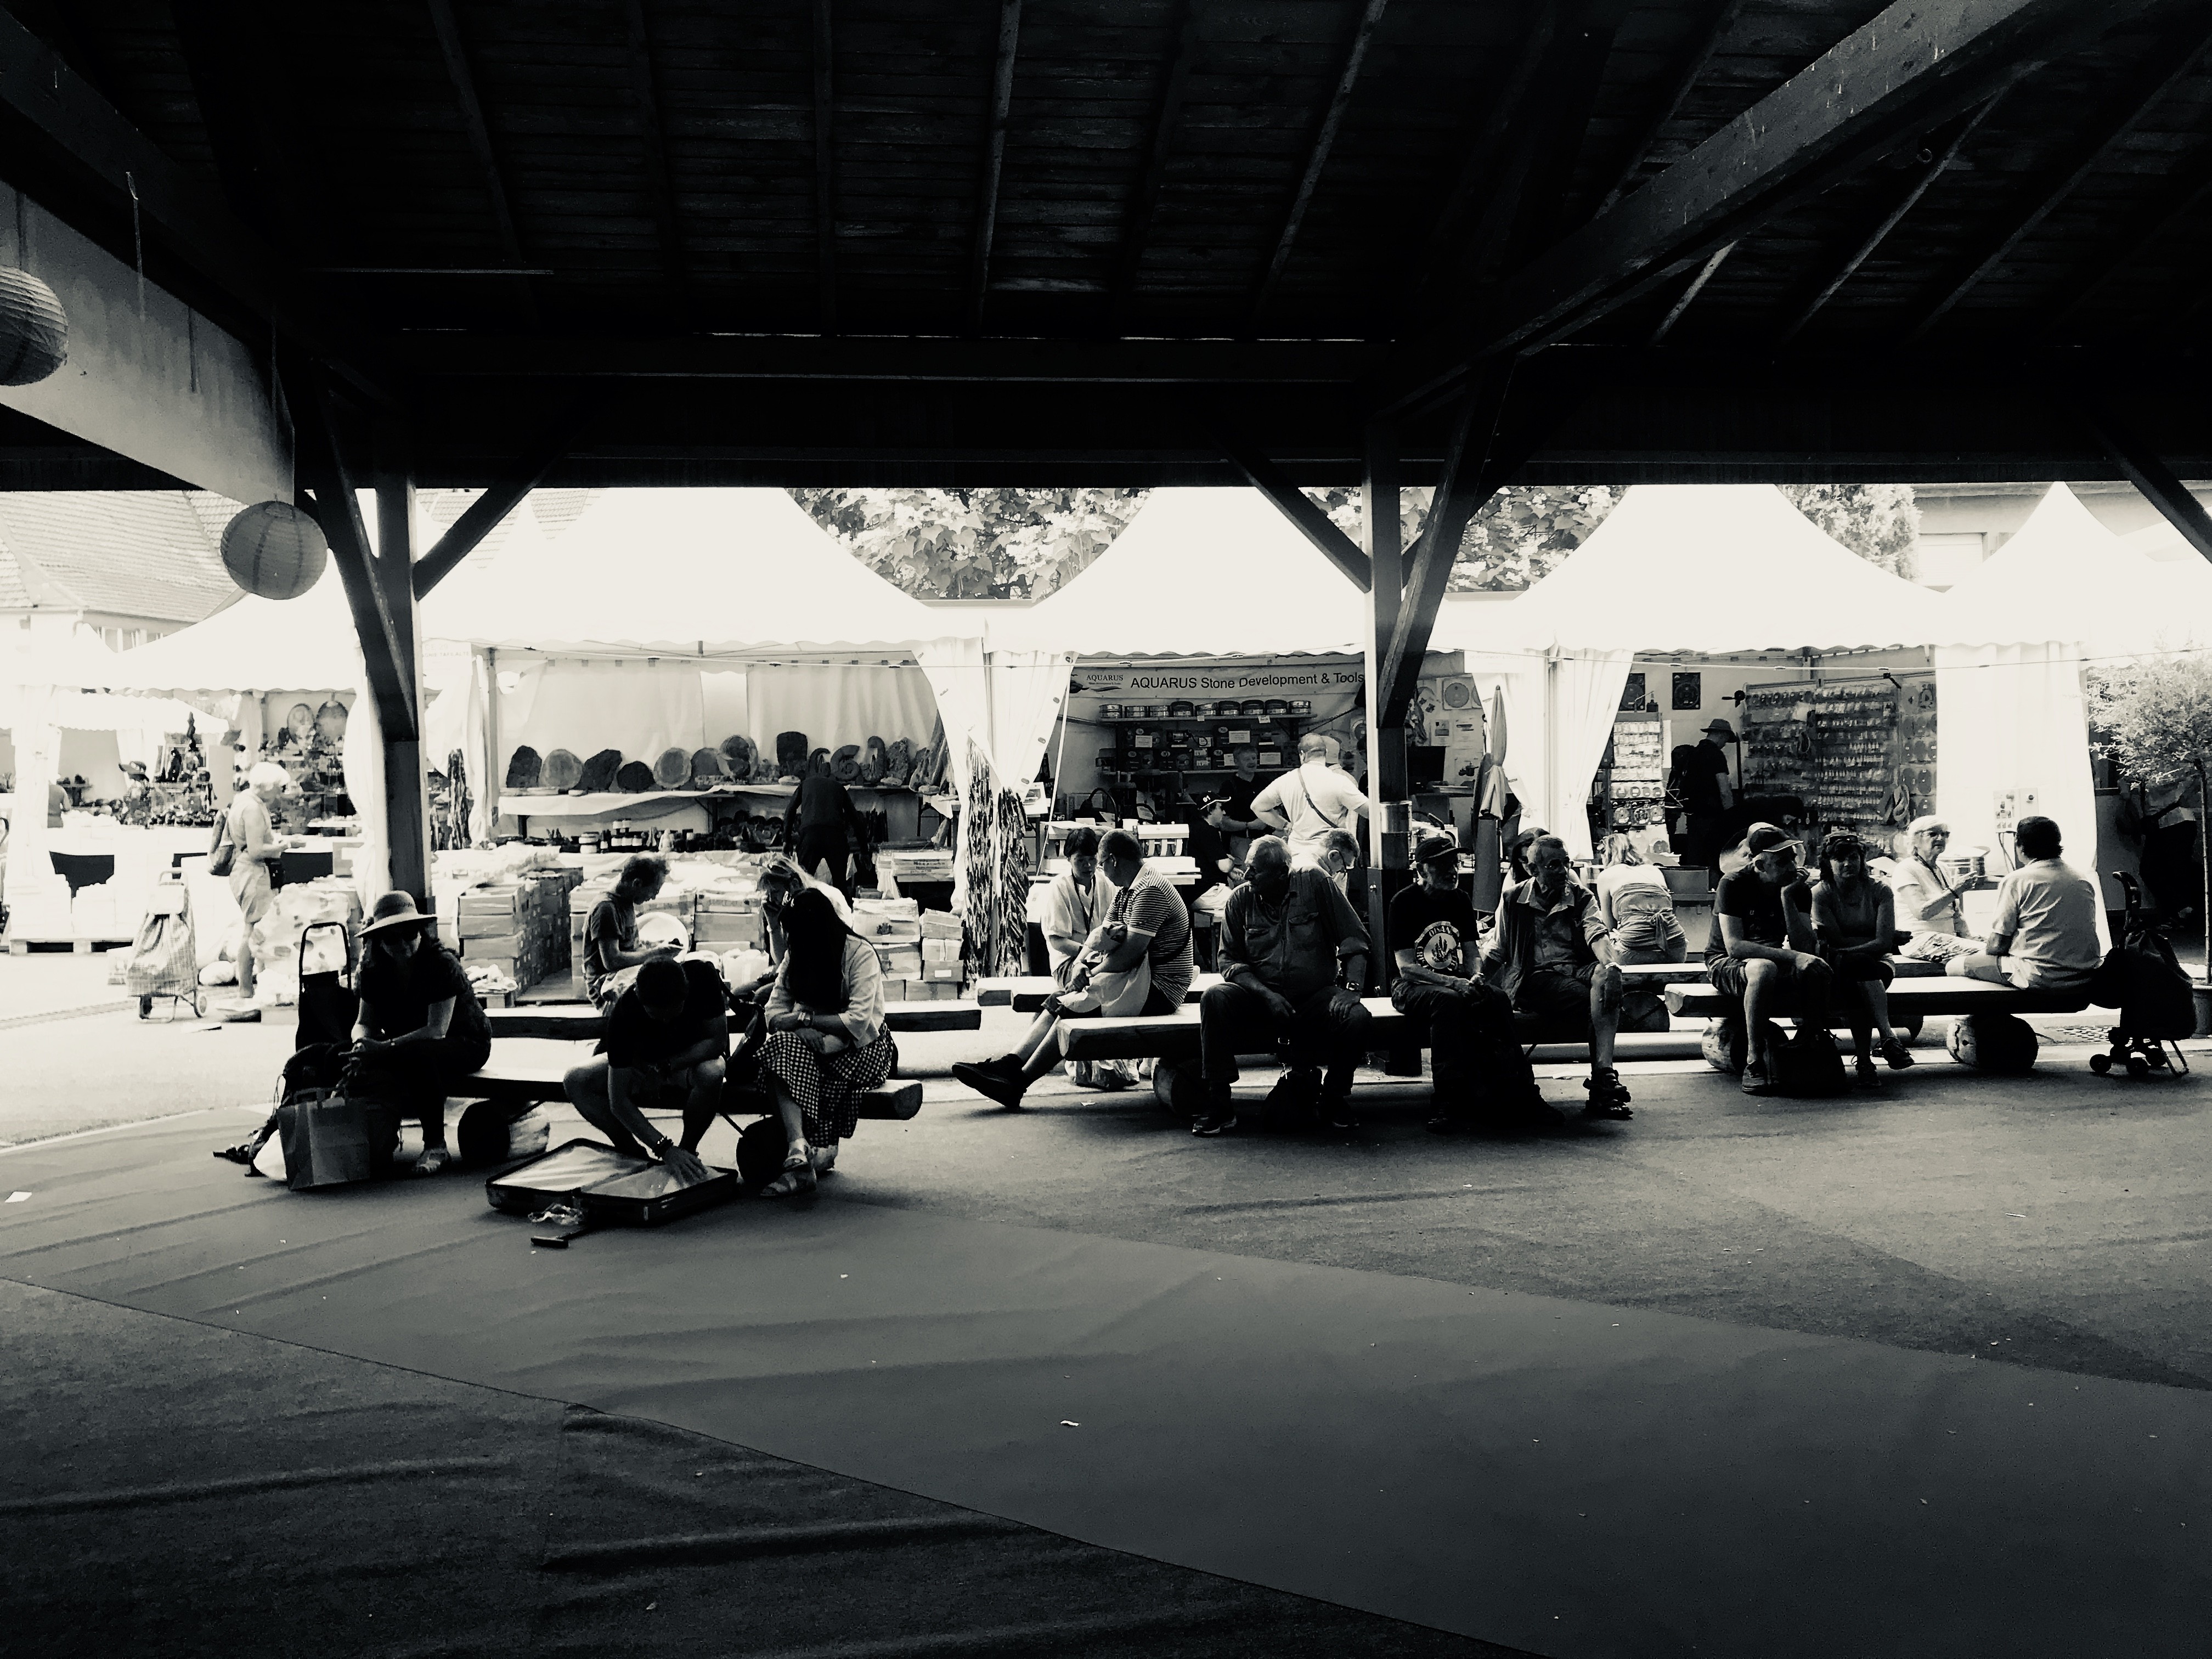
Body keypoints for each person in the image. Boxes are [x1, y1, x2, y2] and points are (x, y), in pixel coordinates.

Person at [951, 830, 1192, 1109]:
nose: (1097, 869)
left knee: (1074, 1006)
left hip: (1161, 988)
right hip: (1136, 978)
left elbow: (1128, 955)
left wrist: (1090, 972)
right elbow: (1101, 935)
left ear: (1113, 861)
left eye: (1100, 862)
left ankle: (1017, 1083)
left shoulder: (1150, 890)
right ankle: (1010, 1065)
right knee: (1061, 1000)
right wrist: (1081, 964)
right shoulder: (1128, 888)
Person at [1192, 837, 1372, 1137]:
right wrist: (1266, 995)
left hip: (1313, 997)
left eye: (1256, 871)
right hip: (1259, 998)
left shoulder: (1315, 883)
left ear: (1281, 874)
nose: (1247, 875)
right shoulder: (1239, 899)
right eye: (1248, 868)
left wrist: (1351, 989)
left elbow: (1354, 938)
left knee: (1357, 1018)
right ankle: (1219, 1101)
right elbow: (1230, 962)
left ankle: (1334, 1098)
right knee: (1215, 997)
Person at [1390, 832, 1560, 1133]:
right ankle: (1447, 1098)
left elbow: (1471, 953)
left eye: (1454, 863)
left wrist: (1477, 976)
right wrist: (1455, 983)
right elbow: (1407, 968)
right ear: (1422, 870)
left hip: (1454, 983)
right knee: (1448, 1001)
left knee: (1497, 997)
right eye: (1442, 865)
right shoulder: (1404, 902)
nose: (1452, 870)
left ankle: (1523, 1090)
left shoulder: (1460, 899)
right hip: (1412, 987)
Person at [753, 888, 898, 1197]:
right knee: (778, 1049)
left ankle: (807, 1161)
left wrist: (804, 1020)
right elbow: (773, 1014)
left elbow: (856, 1022)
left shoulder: (860, 954)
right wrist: (800, 1027)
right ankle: (798, 1147)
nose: (793, 942)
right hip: (812, 1045)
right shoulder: (797, 954)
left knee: (795, 1059)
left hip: (864, 1050)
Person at [1481, 835, 1632, 1119]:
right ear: (1532, 869)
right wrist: (1479, 979)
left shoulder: (1581, 896)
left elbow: (1597, 934)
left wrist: (1611, 966)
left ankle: (1603, 1076)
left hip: (1575, 971)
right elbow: (1498, 949)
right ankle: (1603, 1087)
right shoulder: (1513, 899)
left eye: (1566, 863)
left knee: (1605, 976)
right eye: (1553, 865)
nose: (1563, 871)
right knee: (1594, 1001)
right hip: (1534, 977)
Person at [349, 890, 495, 1177]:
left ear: (421, 933)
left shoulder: (441, 964)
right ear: (379, 942)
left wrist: (384, 1048)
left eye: (410, 934)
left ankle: (436, 1146)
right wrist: (359, 1044)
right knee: (331, 1053)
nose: (403, 944)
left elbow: (436, 1031)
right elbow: (364, 1022)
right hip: (407, 1044)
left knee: (418, 1057)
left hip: (466, 1043)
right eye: (392, 938)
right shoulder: (372, 972)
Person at [563, 956, 728, 1179]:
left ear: (686, 992)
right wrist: (663, 1148)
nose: (666, 1022)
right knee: (576, 1080)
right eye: (657, 1016)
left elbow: (717, 1042)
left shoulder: (702, 975)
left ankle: (687, 1151)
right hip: (642, 1064)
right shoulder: (625, 1012)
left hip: (689, 1062)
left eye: (673, 1013)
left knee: (713, 1071)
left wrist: (666, 1066)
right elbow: (618, 1101)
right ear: (639, 997)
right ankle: (631, 1152)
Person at [1707, 822, 1832, 1096]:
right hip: (1727, 963)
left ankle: (1811, 1044)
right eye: (1782, 861)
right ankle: (1754, 1060)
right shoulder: (1733, 884)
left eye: (1792, 859)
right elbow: (1735, 947)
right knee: (1764, 968)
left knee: (1816, 968)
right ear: (1761, 865)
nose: (1791, 867)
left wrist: (1788, 898)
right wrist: (1795, 957)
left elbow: (1804, 946)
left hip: (1775, 959)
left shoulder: (1797, 888)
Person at [1945, 815, 2101, 992]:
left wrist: (1982, 950)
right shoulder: (2080, 878)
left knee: (1953, 966)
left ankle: (1992, 1011)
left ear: (2020, 846)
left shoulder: (2017, 880)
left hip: (2040, 975)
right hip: (2084, 973)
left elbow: (1998, 945)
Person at [1809, 831, 1912, 1085]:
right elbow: (1836, 941)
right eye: (1840, 859)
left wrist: (1856, 946)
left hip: (1877, 964)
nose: (1848, 864)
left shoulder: (1880, 890)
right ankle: (1887, 1041)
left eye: (1853, 857)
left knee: (1859, 976)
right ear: (1828, 863)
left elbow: (1883, 944)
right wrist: (1869, 941)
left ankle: (1867, 1063)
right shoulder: (1821, 893)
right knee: (1859, 969)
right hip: (1840, 965)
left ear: (1862, 860)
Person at [1041, 826, 1125, 1090]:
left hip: (1099, 957)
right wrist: (1088, 954)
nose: (1088, 866)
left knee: (1122, 982)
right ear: (1069, 859)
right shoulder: (1059, 887)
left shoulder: (1106, 883)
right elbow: (1057, 941)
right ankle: (1084, 1056)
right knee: (1094, 987)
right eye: (1080, 860)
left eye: (1092, 860)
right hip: (1068, 961)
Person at [214, 761, 288, 1008]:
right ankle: (246, 989)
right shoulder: (253, 809)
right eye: (278, 788)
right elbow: (256, 851)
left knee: (254, 928)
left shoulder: (243, 801)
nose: (279, 794)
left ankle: (254, 985)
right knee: (253, 928)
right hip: (253, 873)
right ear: (267, 786)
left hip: (244, 872)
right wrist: (283, 846)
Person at [1250, 733, 1369, 864]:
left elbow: (1257, 807)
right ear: (1326, 753)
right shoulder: (1340, 781)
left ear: (1302, 755)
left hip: (1296, 855)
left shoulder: (1285, 781)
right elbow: (1370, 812)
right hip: (1329, 857)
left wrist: (1285, 825)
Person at [583, 854, 680, 1007]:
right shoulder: (606, 908)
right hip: (607, 987)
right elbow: (612, 961)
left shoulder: (627, 899)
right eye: (654, 891)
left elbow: (628, 944)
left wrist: (656, 946)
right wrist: (656, 953)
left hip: (626, 974)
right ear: (637, 884)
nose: (654, 898)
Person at [1882, 816, 1982, 962]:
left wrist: (1968, 936)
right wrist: (1956, 891)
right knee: (1985, 953)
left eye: (1945, 834)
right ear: (1915, 840)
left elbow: (1955, 912)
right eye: (1933, 834)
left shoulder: (1943, 868)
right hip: (1919, 939)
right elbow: (1922, 912)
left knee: (2000, 946)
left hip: (1947, 936)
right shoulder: (1906, 868)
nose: (1941, 838)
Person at [784, 749, 870, 896]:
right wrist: (864, 850)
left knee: (803, 883)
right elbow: (856, 819)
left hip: (810, 835)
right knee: (840, 886)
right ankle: (843, 910)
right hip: (835, 836)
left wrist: (787, 840)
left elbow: (790, 810)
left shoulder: (805, 784)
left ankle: (803, 909)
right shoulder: (839, 787)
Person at [1593, 832, 1686, 964]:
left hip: (1633, 951)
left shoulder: (1607, 876)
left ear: (1606, 855)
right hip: (1675, 948)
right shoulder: (1654, 871)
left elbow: (1609, 926)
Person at [1683, 719, 1736, 874]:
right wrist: (1731, 816)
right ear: (1722, 735)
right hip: (1713, 817)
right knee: (1715, 859)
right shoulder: (1716, 755)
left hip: (1693, 815)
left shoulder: (1693, 753)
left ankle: (1694, 887)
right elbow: (1724, 789)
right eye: (1726, 740)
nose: (1725, 744)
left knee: (1695, 859)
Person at [1206, 748, 1270, 856]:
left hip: (1266, 838)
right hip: (1240, 840)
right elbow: (1223, 822)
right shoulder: (1229, 787)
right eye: (1246, 759)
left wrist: (1268, 820)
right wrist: (1250, 825)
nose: (1252, 762)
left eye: (1254, 758)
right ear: (1236, 762)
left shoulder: (1265, 783)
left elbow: (1278, 809)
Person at [1316, 828, 1362, 894]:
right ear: (1333, 855)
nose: (1343, 871)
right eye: (1344, 865)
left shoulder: (1339, 875)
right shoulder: (1312, 873)